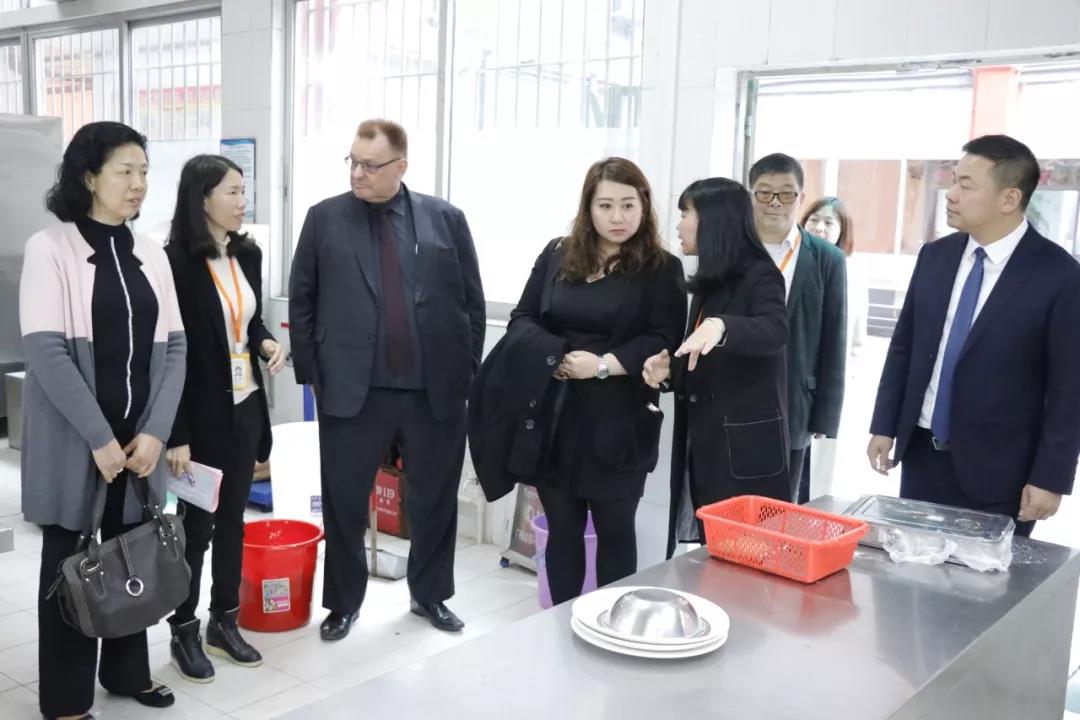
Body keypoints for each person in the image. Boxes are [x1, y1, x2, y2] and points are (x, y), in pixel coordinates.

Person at [289, 119, 485, 640]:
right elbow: (302, 298)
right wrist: (312, 376)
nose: (358, 173)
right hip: (353, 390)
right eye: (352, 161)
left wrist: (467, 368)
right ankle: (343, 604)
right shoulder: (324, 218)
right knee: (345, 502)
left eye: (370, 165)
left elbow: (471, 300)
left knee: (434, 500)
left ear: (401, 166)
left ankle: (430, 595)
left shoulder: (445, 218)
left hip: (433, 389)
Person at [19, 121, 186, 719]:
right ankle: (66, 700)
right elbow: (47, 353)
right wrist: (99, 437)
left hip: (139, 442)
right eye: (124, 171)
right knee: (71, 563)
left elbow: (175, 348)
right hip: (79, 443)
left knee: (130, 551)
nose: (138, 183)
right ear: (89, 177)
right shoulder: (51, 248)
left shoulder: (151, 253)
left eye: (144, 172)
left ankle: (127, 673)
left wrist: (156, 431)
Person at [473, 157, 685, 604]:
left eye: (628, 205)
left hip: (620, 421)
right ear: (588, 207)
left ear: (644, 206)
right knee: (562, 528)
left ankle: (612, 623)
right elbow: (523, 317)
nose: (617, 217)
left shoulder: (662, 267)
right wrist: (554, 357)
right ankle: (560, 626)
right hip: (555, 415)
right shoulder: (557, 253)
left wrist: (604, 364)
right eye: (605, 205)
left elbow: (664, 338)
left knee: (615, 530)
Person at [868, 134, 1080, 536]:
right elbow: (904, 348)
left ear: (1009, 198)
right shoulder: (935, 256)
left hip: (1002, 472)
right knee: (912, 568)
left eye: (965, 185)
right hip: (922, 456)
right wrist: (885, 424)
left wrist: (1051, 477)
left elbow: (1069, 390)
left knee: (986, 576)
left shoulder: (1060, 276)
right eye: (953, 181)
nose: (951, 194)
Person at [163, 155, 286, 681]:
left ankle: (224, 621)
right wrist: (176, 433)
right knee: (197, 527)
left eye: (243, 192)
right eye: (232, 192)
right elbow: (168, 354)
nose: (242, 202)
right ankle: (183, 628)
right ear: (203, 198)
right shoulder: (174, 262)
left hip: (245, 406)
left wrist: (266, 342)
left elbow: (250, 319)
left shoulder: (246, 253)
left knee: (234, 521)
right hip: (199, 414)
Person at [642, 177, 789, 558]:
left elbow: (775, 330)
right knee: (719, 554)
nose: (678, 225)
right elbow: (702, 355)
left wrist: (722, 326)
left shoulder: (761, 274)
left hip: (743, 451)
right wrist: (669, 372)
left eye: (685, 214)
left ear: (712, 220)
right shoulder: (712, 278)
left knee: (749, 558)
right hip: (707, 445)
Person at [748, 154, 847, 505]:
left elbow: (834, 338)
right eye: (765, 192)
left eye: (787, 193)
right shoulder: (735, 249)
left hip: (793, 401)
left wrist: (825, 416)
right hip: (734, 397)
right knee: (727, 508)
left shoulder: (827, 258)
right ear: (751, 195)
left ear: (801, 198)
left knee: (778, 508)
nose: (775, 202)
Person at [801, 196, 862, 499]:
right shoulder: (793, 264)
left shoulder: (849, 273)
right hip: (798, 388)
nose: (819, 227)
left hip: (828, 387)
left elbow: (853, 342)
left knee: (818, 478)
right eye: (814, 220)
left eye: (829, 222)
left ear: (842, 231)